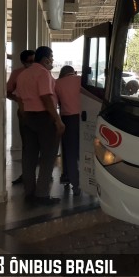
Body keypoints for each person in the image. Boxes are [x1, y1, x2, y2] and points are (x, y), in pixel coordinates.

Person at [15, 46, 65, 205]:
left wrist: (24, 115)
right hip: (44, 118)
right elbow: (46, 97)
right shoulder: (43, 73)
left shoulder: (23, 74)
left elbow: (20, 99)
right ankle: (42, 195)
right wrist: (57, 119)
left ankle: (29, 193)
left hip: (28, 117)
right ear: (45, 59)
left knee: (29, 156)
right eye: (51, 57)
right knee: (48, 157)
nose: (52, 61)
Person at [6, 49, 35, 184]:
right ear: (23, 62)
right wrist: (19, 100)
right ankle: (26, 175)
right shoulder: (17, 73)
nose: (32, 64)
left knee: (41, 145)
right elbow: (8, 92)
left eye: (34, 60)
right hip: (25, 113)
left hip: (41, 114)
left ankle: (43, 174)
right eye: (29, 61)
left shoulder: (41, 72)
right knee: (27, 145)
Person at [55, 65, 81, 196]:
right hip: (83, 119)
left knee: (69, 153)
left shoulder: (57, 83)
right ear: (73, 72)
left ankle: (75, 186)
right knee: (84, 151)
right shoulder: (80, 79)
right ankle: (88, 181)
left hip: (67, 120)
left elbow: (54, 103)